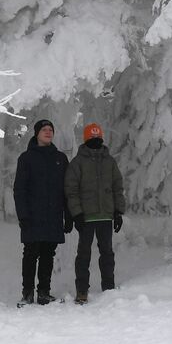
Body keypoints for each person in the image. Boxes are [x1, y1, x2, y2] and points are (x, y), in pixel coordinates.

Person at [64, 122, 125, 305]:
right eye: (92, 137)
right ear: (86, 139)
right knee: (84, 255)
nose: (95, 140)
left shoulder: (110, 161)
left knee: (107, 254)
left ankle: (109, 288)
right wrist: (76, 214)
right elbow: (71, 190)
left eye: (98, 137)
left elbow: (117, 187)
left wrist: (118, 211)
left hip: (106, 216)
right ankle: (82, 291)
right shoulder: (77, 163)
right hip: (86, 218)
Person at [13, 119, 70, 306]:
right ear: (36, 133)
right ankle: (27, 293)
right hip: (32, 215)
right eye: (44, 129)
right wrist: (23, 215)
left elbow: (67, 190)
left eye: (50, 129)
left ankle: (44, 292)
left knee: (48, 254)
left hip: (53, 214)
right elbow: (19, 189)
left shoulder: (60, 158)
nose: (48, 132)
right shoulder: (26, 158)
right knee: (30, 253)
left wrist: (68, 216)